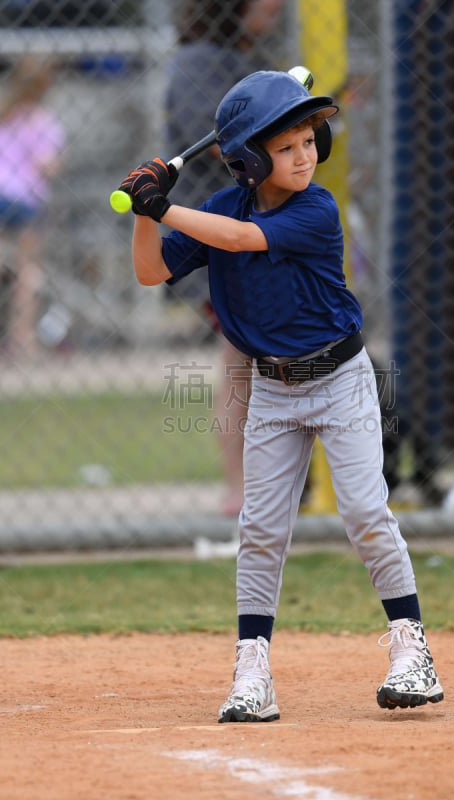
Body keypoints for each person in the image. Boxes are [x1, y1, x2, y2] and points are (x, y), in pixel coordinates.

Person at [117, 69, 444, 722]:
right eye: (287, 145)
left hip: (342, 381)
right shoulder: (215, 209)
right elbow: (150, 270)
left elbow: (239, 242)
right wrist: (146, 209)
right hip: (271, 391)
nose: (304, 155)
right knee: (260, 531)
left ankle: (413, 651)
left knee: (364, 514)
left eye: (309, 141)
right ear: (249, 159)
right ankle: (252, 671)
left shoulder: (314, 210)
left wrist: (162, 206)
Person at [164, 0, 286, 516]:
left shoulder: (239, 57)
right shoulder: (200, 61)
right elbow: (218, 144)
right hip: (220, 234)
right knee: (245, 363)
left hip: (254, 230)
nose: (275, 6)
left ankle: (261, 488)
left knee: (257, 362)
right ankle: (242, 492)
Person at [0, 56, 65, 357]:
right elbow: (47, 166)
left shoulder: (0, 118)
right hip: (25, 199)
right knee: (27, 270)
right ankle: (22, 340)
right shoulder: (42, 120)